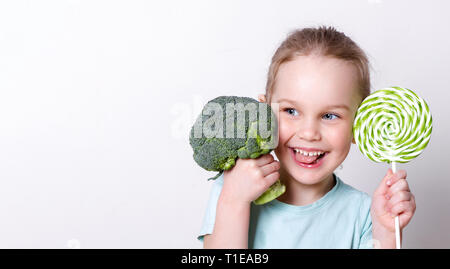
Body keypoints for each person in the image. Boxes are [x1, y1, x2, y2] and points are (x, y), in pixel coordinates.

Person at [198, 26, 416, 249]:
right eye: (291, 111)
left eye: (330, 115)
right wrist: (234, 202)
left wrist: (387, 233)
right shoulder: (233, 188)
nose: (309, 133)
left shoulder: (365, 214)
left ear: (359, 125)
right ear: (264, 114)